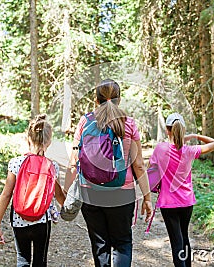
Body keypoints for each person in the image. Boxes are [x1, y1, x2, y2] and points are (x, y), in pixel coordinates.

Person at [65, 79, 153, 267]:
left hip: (90, 192)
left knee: (100, 245)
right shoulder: (128, 124)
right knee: (122, 244)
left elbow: (73, 162)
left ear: (96, 101)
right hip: (122, 193)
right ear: (119, 100)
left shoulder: (85, 121)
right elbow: (138, 165)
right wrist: (147, 198)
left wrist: (67, 193)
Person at [0, 114, 65, 267]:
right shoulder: (52, 166)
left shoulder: (15, 163)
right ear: (49, 142)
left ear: (28, 139)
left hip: (19, 220)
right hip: (42, 221)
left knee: (22, 260)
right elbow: (59, 195)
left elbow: (6, 194)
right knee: (40, 261)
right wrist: (69, 210)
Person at [149, 113, 214, 267]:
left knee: (176, 242)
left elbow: (151, 171)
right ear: (183, 130)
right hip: (187, 202)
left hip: (168, 203)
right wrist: (194, 136)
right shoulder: (190, 150)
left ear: (168, 130)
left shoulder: (161, 149)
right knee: (184, 237)